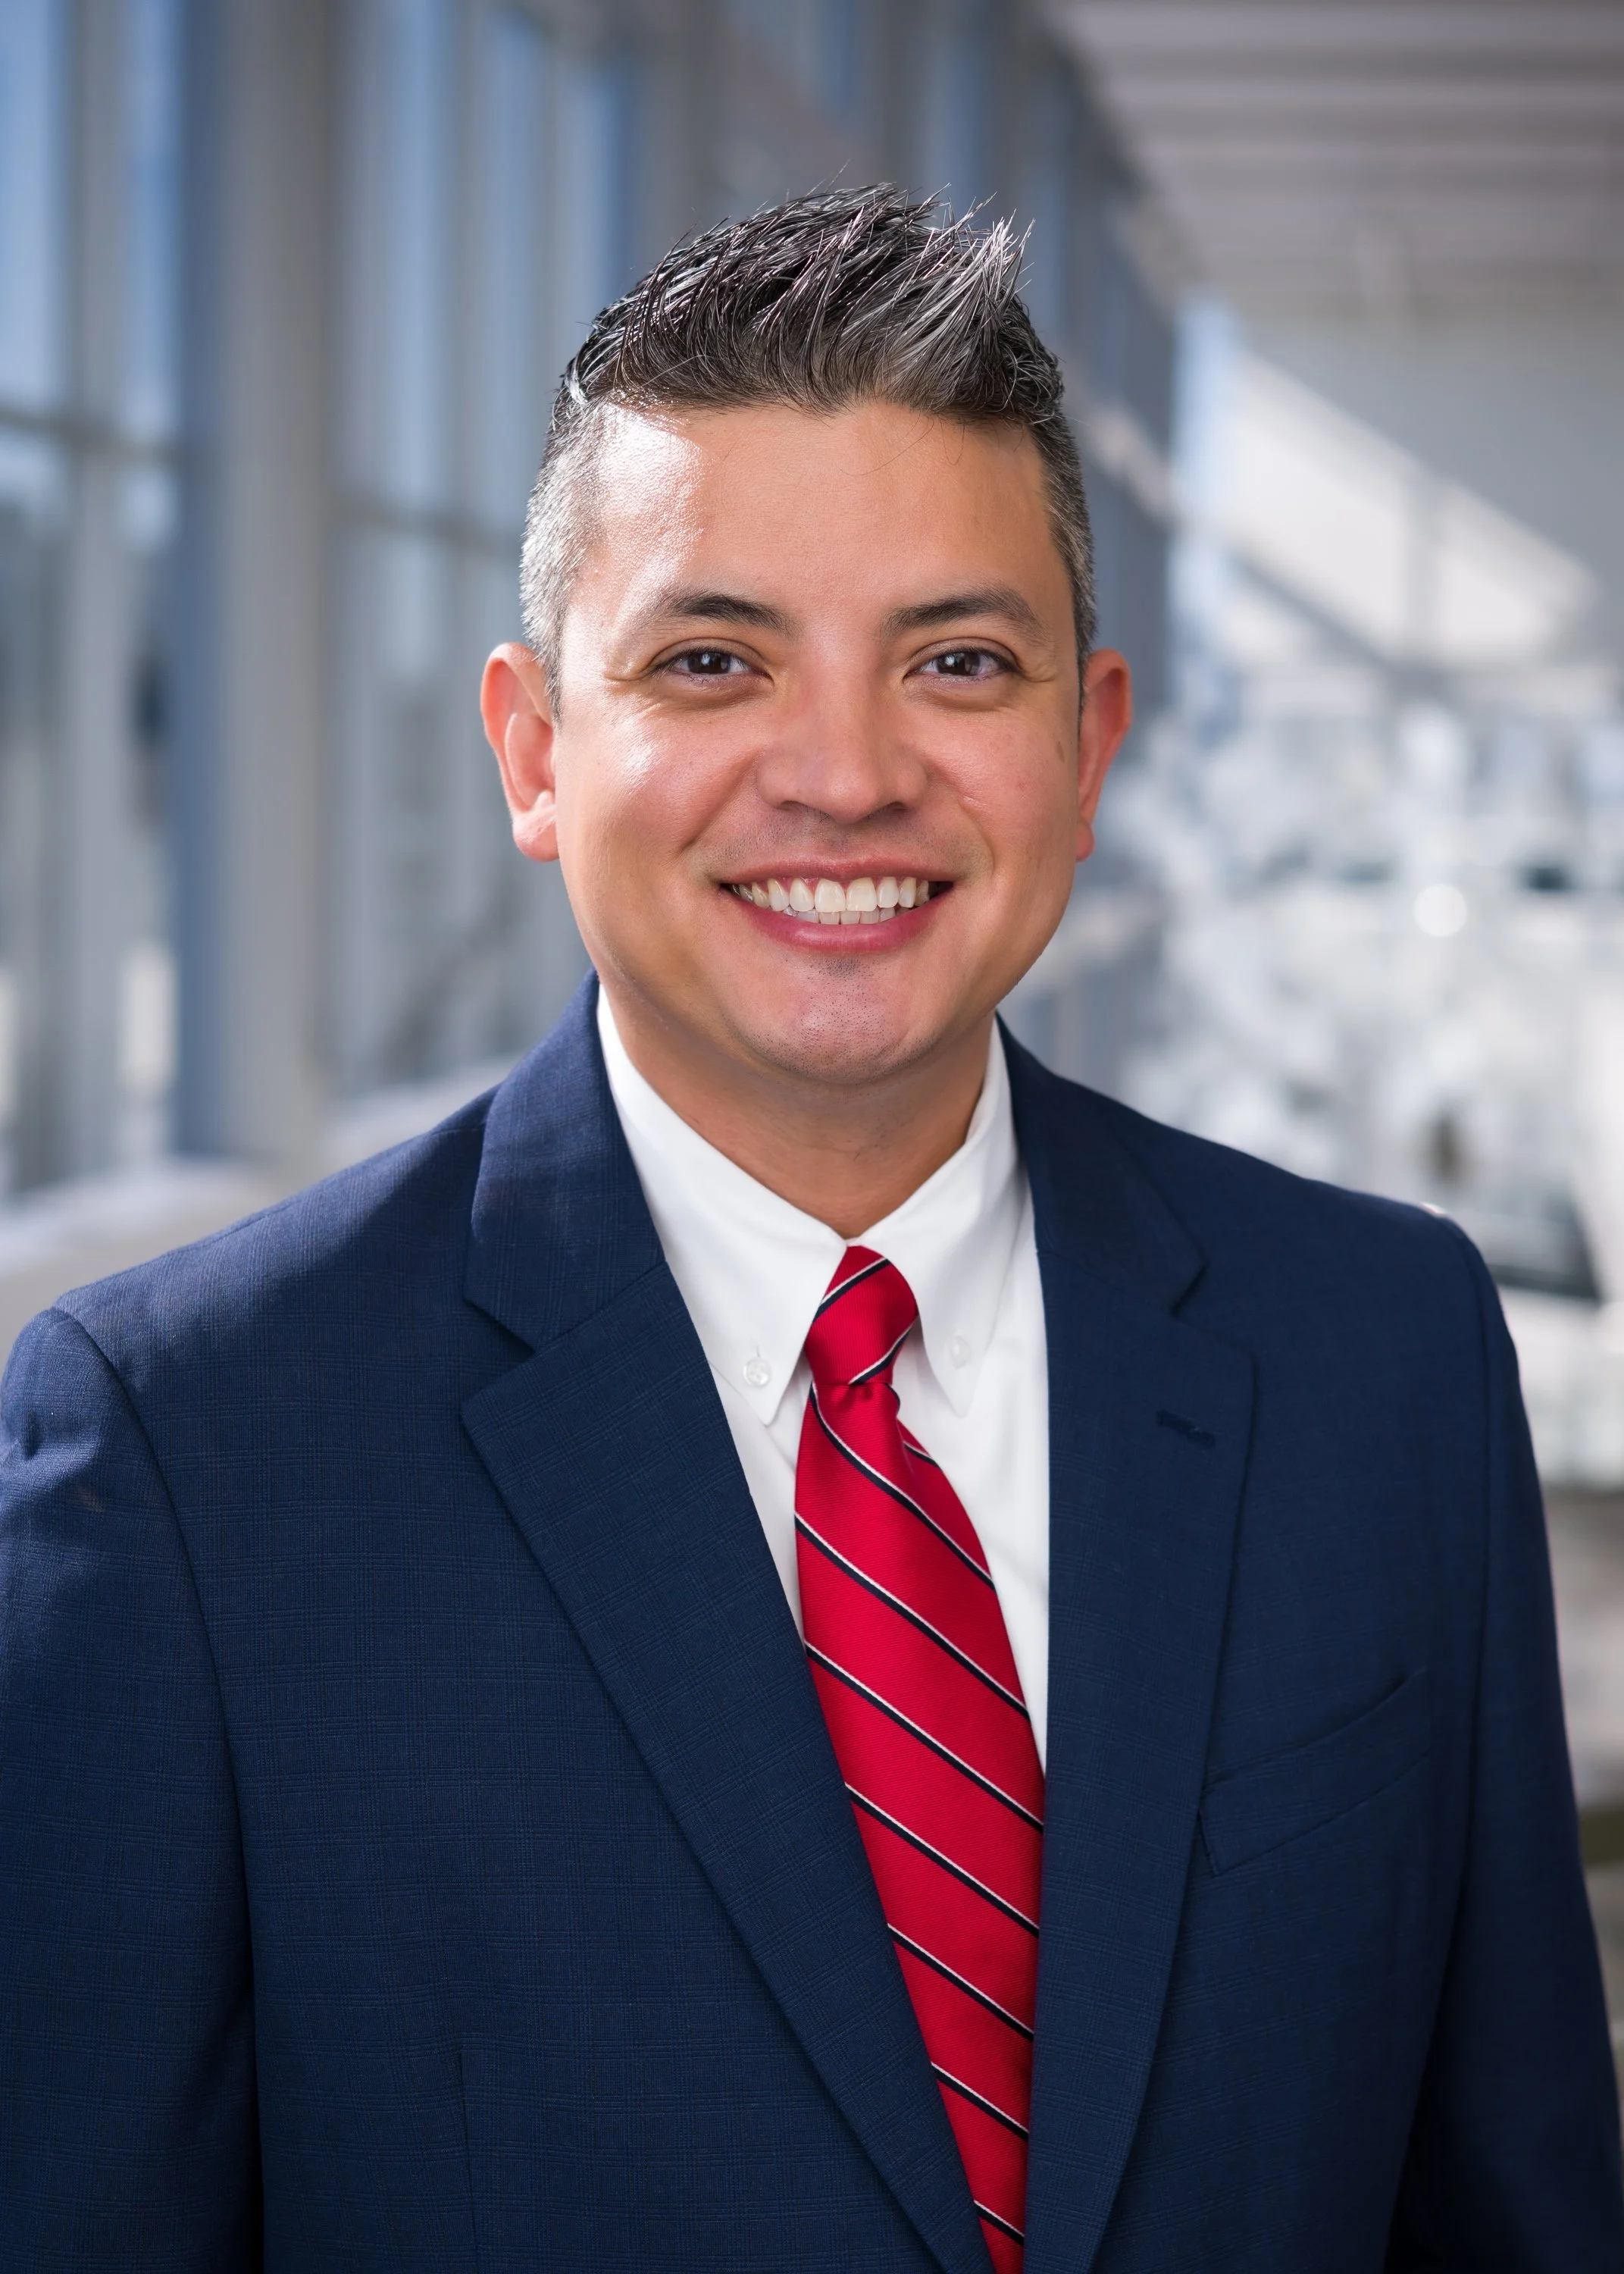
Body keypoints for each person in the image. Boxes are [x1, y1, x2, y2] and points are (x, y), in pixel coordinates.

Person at [0, 188, 1617, 2274]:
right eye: (712, 660)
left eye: (957, 662)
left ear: (1086, 747)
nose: (845, 776)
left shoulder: (1383, 1352)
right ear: (535, 753)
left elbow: (1513, 2202)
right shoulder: (188, 1452)